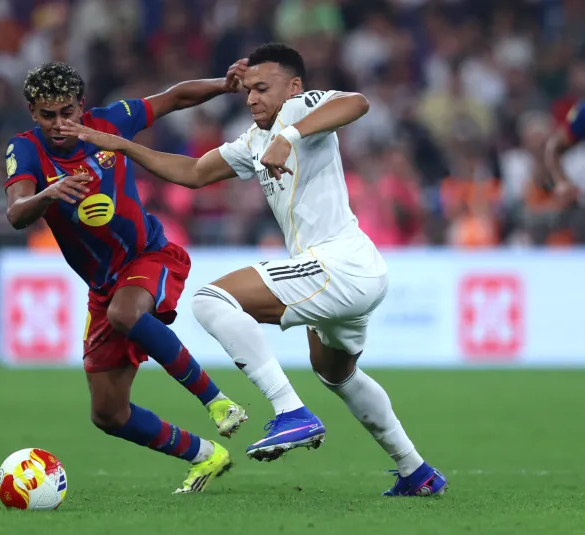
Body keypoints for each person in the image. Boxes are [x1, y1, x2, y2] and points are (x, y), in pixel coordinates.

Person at [62, 43, 447, 497]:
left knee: (209, 300)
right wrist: (124, 146)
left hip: (337, 263)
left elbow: (356, 103)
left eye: (263, 88)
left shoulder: (301, 110)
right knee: (336, 374)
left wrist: (292, 136)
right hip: (349, 271)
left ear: (294, 87)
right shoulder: (254, 141)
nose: (252, 99)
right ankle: (416, 471)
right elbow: (192, 172)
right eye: (248, 91)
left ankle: (291, 412)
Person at [4, 62, 249, 494]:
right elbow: (16, 213)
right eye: (48, 115)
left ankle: (218, 402)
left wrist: (223, 85)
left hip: (149, 256)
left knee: (125, 312)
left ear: (81, 106)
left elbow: (173, 97)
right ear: (32, 113)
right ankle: (204, 455)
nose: (60, 124)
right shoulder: (25, 151)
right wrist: (48, 193)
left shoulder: (108, 123)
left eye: (67, 112)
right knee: (108, 414)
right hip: (103, 287)